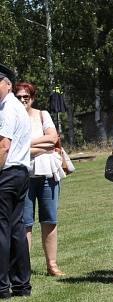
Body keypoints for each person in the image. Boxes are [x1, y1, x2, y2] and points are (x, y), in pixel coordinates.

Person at [16, 82, 64, 276]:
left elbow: (53, 139)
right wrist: (42, 147)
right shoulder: (11, 118)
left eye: (26, 97)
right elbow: (12, 149)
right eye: (18, 97)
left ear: (32, 98)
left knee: (50, 220)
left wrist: (25, 146)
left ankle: (52, 265)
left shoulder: (43, 114)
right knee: (25, 223)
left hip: (47, 174)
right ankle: (24, 267)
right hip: (24, 176)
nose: (22, 101)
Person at [0, 64, 32, 298]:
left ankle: (3, 286)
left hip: (8, 172)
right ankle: (21, 285)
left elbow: (3, 146)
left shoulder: (7, 109)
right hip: (19, 172)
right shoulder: (13, 107)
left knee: (4, 228)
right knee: (15, 228)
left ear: (8, 84)